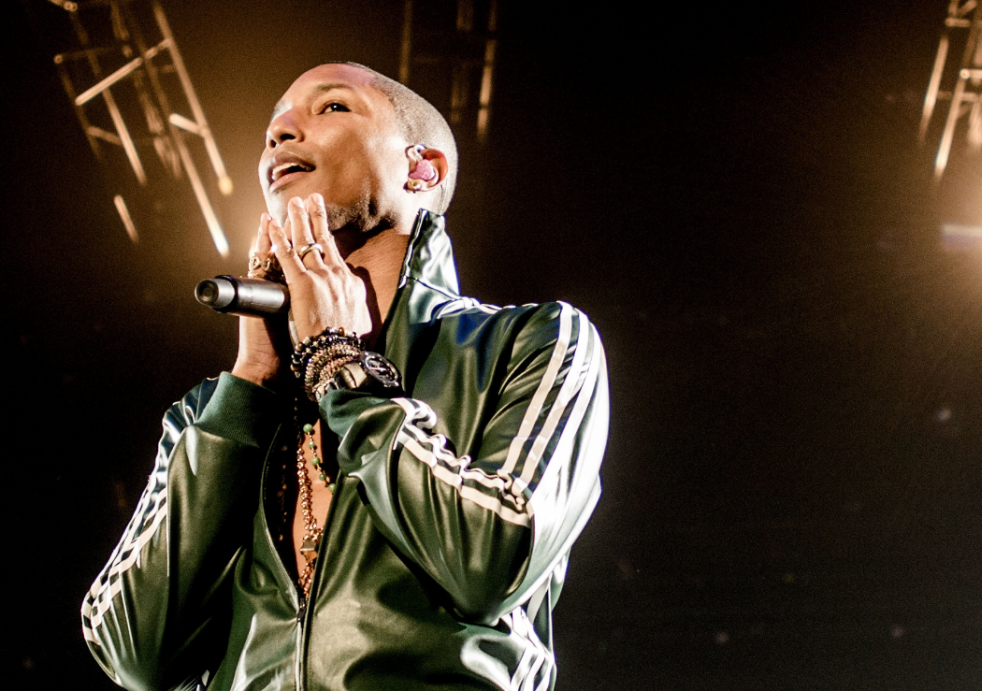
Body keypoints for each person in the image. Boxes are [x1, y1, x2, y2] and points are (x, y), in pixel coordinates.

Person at [81, 62, 609, 691]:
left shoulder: (530, 342)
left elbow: (489, 558)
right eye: (274, 122)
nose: (279, 130)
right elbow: (132, 654)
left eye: (331, 107)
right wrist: (250, 385)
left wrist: (341, 368)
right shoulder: (211, 415)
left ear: (422, 169)